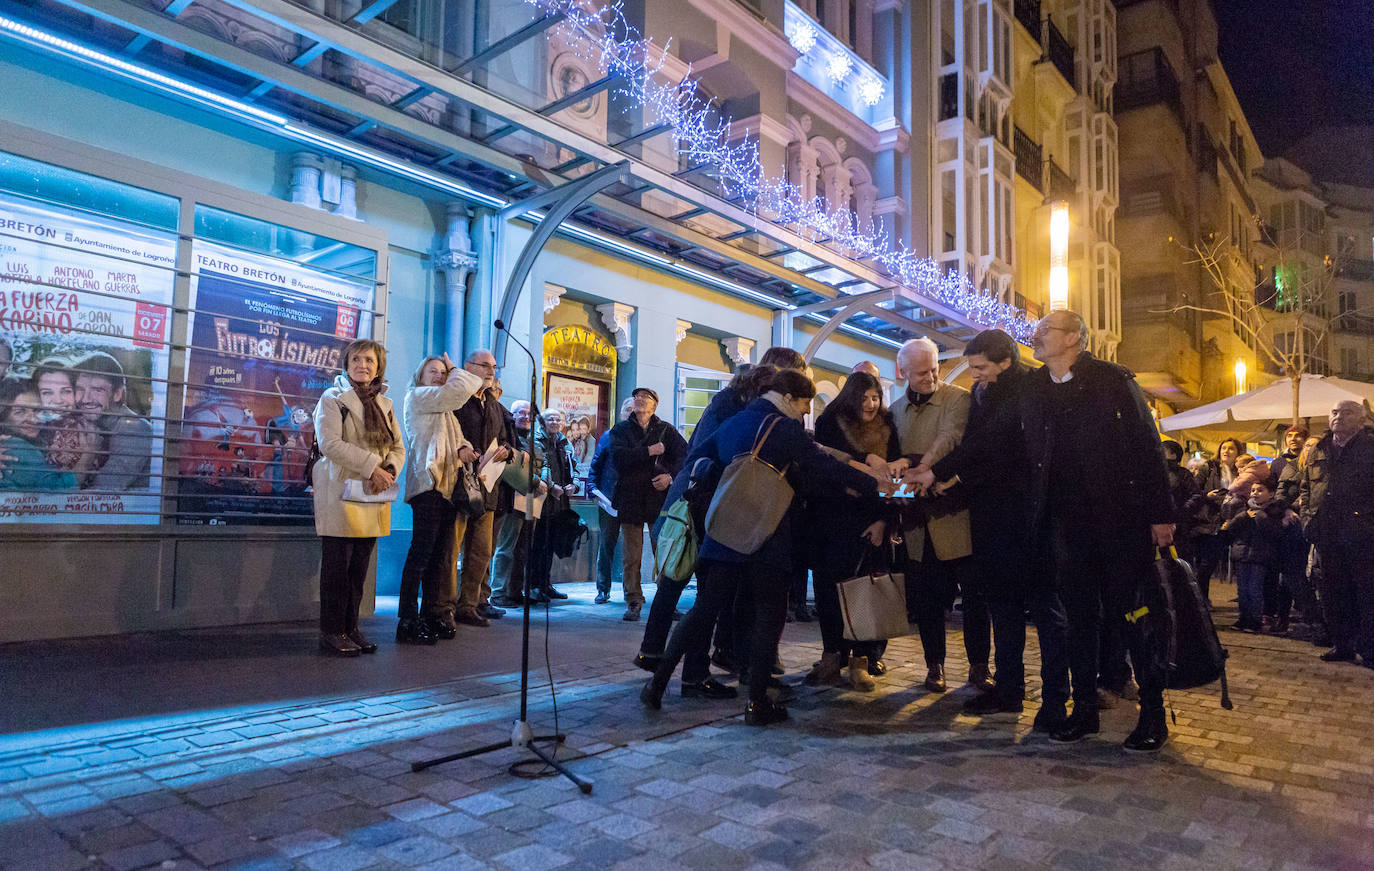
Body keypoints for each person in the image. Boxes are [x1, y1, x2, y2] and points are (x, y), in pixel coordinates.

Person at [641, 369, 885, 724]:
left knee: (704, 610)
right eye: (804, 405)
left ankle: (657, 684)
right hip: (768, 533)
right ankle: (757, 702)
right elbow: (826, 467)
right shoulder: (785, 428)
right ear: (788, 398)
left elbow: (701, 461)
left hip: (724, 530)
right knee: (768, 614)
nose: (804, 414)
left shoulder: (734, 423)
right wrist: (875, 485)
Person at [1012, 310, 1174, 750]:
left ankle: (1153, 715)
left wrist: (1161, 515)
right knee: (1081, 621)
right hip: (1067, 528)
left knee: (1133, 615)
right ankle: (1083, 711)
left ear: (1075, 340)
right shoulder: (1033, 387)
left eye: (1046, 331)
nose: (1036, 337)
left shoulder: (1112, 380)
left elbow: (1147, 446)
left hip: (1119, 522)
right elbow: (1001, 443)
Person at [634, 347, 807, 678]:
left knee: (691, 585)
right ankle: (690, 670)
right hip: (705, 500)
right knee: (705, 591)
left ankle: (665, 660)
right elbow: (726, 452)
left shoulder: (734, 399)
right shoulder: (744, 407)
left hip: (697, 496)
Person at [925, 328, 1051, 719]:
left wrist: (939, 472)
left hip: (1024, 519)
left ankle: (1056, 695)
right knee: (1003, 607)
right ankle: (1009, 687)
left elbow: (987, 448)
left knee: (1043, 612)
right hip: (992, 517)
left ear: (1005, 362)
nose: (974, 373)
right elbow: (980, 456)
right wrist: (951, 482)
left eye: (980, 366)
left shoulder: (1027, 391)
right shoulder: (987, 392)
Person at [890, 337, 989, 694]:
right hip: (919, 523)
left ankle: (979, 666)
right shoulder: (896, 409)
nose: (930, 377)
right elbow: (893, 464)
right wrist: (903, 490)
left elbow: (952, 436)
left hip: (957, 517)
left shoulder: (956, 398)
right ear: (902, 372)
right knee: (928, 602)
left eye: (934, 369)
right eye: (921, 372)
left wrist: (925, 468)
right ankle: (935, 667)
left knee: (975, 599)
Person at [311, 339, 405, 657]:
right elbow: (330, 444)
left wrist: (389, 469)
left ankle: (351, 628)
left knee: (359, 571)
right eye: (355, 359)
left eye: (369, 360)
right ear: (346, 362)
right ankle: (331, 631)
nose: (362, 365)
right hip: (341, 492)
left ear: (379, 367)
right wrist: (372, 467)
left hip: (372, 494)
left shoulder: (385, 404)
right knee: (337, 569)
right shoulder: (332, 399)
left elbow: (398, 447)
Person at [808, 370, 901, 691]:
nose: (871, 404)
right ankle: (832, 656)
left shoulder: (889, 427)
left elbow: (897, 485)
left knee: (866, 592)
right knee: (829, 592)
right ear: (850, 397)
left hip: (871, 522)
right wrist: (865, 460)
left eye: (875, 397)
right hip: (831, 522)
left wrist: (883, 521)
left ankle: (862, 660)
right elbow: (826, 468)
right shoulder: (830, 422)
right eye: (864, 398)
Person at [397, 353, 481, 645]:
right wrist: (458, 369)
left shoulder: (444, 410)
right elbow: (459, 391)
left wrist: (465, 450)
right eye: (433, 371)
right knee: (421, 554)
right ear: (419, 376)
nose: (440, 375)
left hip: (448, 488)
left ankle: (430, 614)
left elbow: (459, 438)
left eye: (444, 371)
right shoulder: (419, 397)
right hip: (428, 486)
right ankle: (407, 619)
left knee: (439, 558)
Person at [1300, 400, 1374, 668]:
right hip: (1327, 533)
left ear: (1361, 419)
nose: (1339, 417)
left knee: (1365, 594)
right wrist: (1308, 518)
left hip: (1362, 535)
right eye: (1334, 412)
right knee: (1333, 592)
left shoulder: (1369, 448)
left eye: (1347, 413)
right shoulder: (1319, 448)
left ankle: (1368, 649)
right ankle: (1342, 644)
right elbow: (1306, 487)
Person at [603, 386, 687, 621]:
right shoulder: (620, 430)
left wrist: (669, 476)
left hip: (658, 500)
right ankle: (633, 601)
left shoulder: (666, 430)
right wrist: (649, 450)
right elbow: (620, 459)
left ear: (654, 405)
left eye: (645, 397)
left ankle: (665, 602)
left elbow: (684, 456)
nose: (639, 400)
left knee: (663, 551)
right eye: (637, 396)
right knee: (632, 555)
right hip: (630, 498)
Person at [449, 350, 514, 629]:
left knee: (481, 551)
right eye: (484, 365)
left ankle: (469, 604)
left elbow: (508, 441)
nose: (490, 371)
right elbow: (446, 434)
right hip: (459, 486)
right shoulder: (457, 398)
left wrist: (506, 451)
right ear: (468, 367)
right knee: (451, 552)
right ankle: (446, 606)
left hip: (488, 487)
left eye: (493, 366)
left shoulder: (494, 404)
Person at [1221, 476, 1300, 632]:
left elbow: (1275, 531)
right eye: (1253, 490)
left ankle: (1255, 620)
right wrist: (1244, 516)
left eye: (1260, 490)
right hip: (1242, 553)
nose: (1255, 493)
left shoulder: (1274, 511)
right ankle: (1244, 617)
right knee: (1242, 589)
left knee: (1254, 588)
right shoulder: (1245, 509)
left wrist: (1260, 516)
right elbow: (1232, 527)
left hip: (1260, 555)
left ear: (1271, 494)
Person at [74, 352, 153, 491]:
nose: (85, 399)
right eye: (80, 389)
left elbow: (103, 491)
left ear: (117, 394)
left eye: (97, 390)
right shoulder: (91, 424)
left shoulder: (134, 429)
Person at [490, 399, 542, 609]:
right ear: (512, 415)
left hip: (531, 500)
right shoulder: (508, 438)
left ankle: (514, 591)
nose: (525, 417)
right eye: (520, 413)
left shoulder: (534, 442)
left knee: (522, 549)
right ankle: (498, 593)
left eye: (528, 414)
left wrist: (543, 478)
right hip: (511, 499)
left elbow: (541, 465)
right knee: (505, 548)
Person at [527, 408, 578, 601]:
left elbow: (574, 465)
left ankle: (546, 584)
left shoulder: (564, 442)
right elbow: (542, 466)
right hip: (541, 500)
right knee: (538, 546)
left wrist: (575, 484)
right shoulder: (537, 440)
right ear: (542, 421)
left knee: (549, 545)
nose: (555, 422)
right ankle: (534, 586)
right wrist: (552, 486)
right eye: (550, 419)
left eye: (558, 419)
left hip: (559, 503)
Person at [591, 398, 635, 605]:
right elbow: (596, 464)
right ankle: (602, 589)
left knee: (632, 548)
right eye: (628, 409)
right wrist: (592, 488)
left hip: (633, 501)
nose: (631, 412)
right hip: (609, 498)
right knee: (606, 545)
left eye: (635, 409)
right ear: (621, 413)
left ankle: (631, 591)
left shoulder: (643, 439)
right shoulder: (609, 436)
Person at [1191, 438, 1244, 600]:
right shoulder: (1209, 468)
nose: (1226, 451)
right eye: (1224, 448)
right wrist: (1206, 496)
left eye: (1231, 449)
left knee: (1208, 563)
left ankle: (1202, 600)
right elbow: (1194, 490)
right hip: (1208, 521)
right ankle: (1202, 600)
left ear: (1238, 452)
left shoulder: (1242, 471)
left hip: (1230, 522)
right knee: (1205, 564)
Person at [0, 380, 78, 490]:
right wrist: (84, 462)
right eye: (20, 412)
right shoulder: (16, 446)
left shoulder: (38, 441)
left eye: (36, 410)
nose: (33, 419)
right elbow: (60, 494)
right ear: (4, 417)